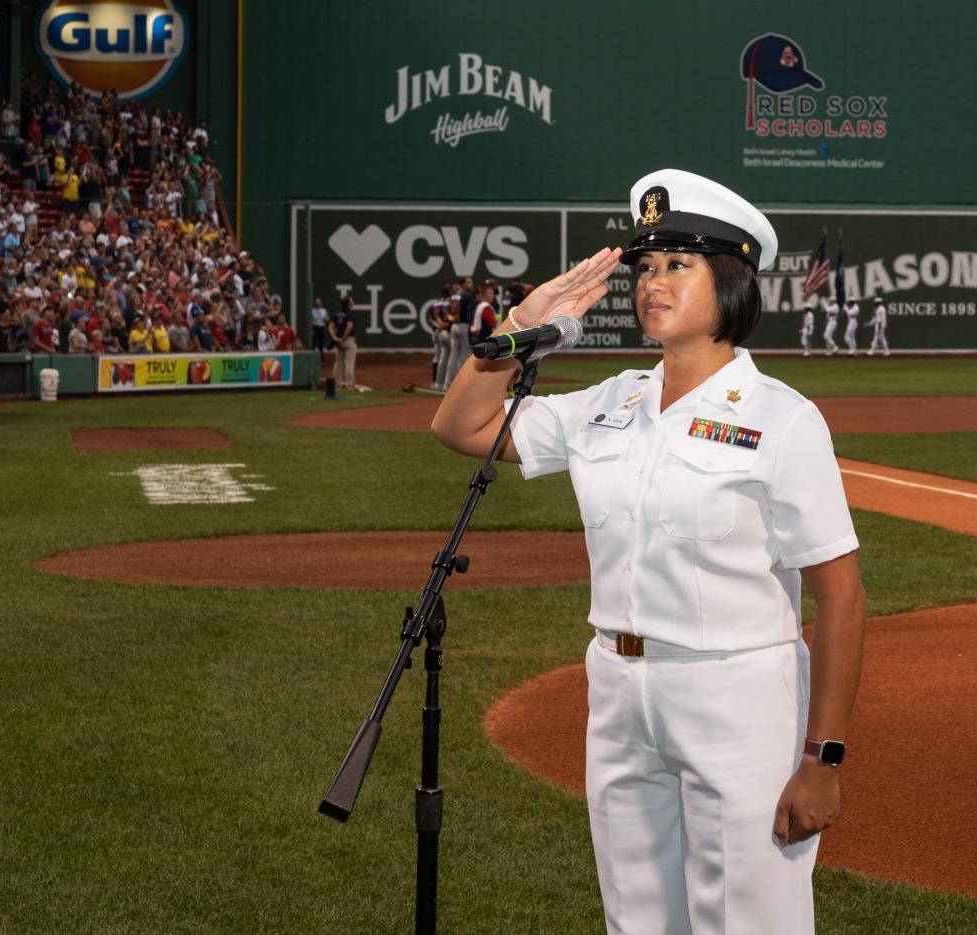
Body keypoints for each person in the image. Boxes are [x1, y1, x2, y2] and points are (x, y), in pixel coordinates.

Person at [429, 169, 864, 933]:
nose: (651, 283)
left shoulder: (782, 420)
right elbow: (462, 428)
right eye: (644, 267)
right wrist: (515, 328)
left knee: (747, 921)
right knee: (636, 920)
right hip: (620, 691)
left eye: (677, 265)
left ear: (729, 280)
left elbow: (843, 594)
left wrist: (822, 757)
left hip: (736, 694)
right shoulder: (610, 402)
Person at [328, 293, 358, 394]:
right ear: (349, 303)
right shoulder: (350, 313)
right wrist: (343, 338)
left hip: (339, 341)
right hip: (347, 340)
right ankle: (349, 384)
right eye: (352, 300)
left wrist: (335, 337)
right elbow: (349, 327)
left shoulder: (338, 313)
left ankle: (337, 384)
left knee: (338, 363)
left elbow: (331, 326)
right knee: (349, 363)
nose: (353, 302)